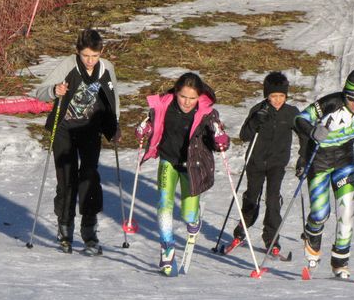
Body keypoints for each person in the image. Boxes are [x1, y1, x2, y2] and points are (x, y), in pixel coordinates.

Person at [33, 28, 120, 256]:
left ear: (101, 52)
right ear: (77, 52)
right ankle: (65, 229)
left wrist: (115, 126)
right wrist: (54, 90)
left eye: (95, 55)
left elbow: (113, 100)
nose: (90, 61)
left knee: (90, 177)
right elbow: (39, 92)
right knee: (67, 178)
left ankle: (89, 233)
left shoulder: (106, 68)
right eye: (86, 56)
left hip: (91, 130)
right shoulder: (68, 64)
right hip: (64, 129)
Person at [134, 72, 230, 277]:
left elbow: (218, 140)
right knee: (164, 203)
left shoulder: (207, 114)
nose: (187, 102)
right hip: (168, 161)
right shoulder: (163, 105)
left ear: (199, 97)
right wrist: (144, 130)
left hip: (192, 167)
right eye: (183, 96)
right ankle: (167, 248)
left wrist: (221, 138)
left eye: (192, 98)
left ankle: (194, 220)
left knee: (187, 214)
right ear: (176, 92)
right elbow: (150, 125)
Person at [294, 68, 354, 278]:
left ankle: (340, 262)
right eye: (351, 98)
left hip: (344, 162)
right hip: (318, 161)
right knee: (320, 213)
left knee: (346, 212)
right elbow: (299, 119)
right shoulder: (331, 103)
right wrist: (312, 131)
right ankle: (312, 238)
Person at [226, 71, 300, 256]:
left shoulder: (291, 113)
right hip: (256, 162)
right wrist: (255, 121)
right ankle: (241, 232)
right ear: (267, 95)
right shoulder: (259, 110)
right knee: (252, 197)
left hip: (277, 163)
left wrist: (304, 156)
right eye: (273, 96)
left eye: (281, 96)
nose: (277, 100)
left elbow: (304, 133)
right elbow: (244, 135)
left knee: (273, 200)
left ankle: (271, 239)